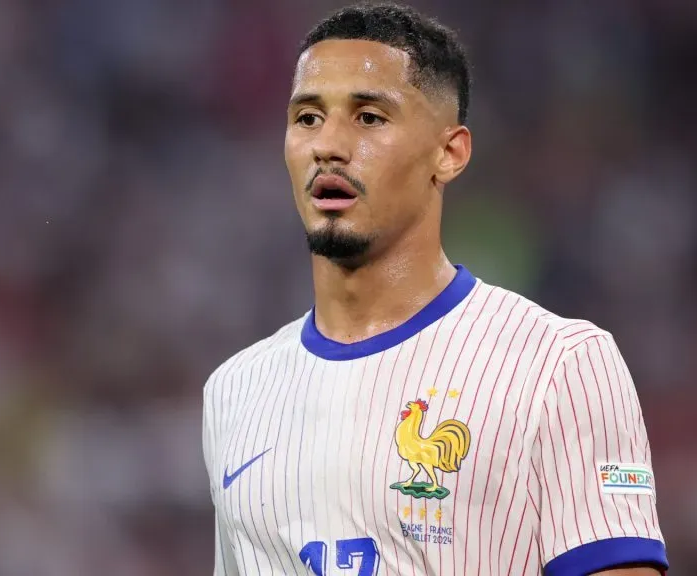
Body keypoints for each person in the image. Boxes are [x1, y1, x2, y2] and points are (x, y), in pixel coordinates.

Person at [201, 3, 668, 575]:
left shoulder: (559, 365)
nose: (329, 145)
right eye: (307, 118)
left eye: (369, 117)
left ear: (450, 153)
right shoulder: (234, 391)